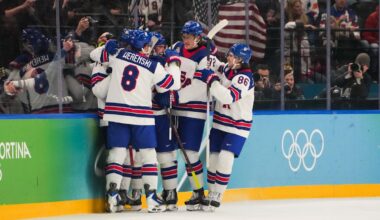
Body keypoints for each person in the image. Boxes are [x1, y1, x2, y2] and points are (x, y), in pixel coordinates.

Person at [90, 29, 180, 213]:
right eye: (147, 45)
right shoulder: (153, 66)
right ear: (142, 46)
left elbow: (94, 55)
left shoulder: (119, 55)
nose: (149, 48)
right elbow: (172, 85)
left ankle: (112, 196)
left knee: (117, 154)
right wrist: (174, 63)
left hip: (116, 113)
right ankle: (153, 198)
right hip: (141, 115)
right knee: (148, 155)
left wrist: (107, 46)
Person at [154, 20, 223, 211]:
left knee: (190, 153)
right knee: (169, 152)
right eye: (184, 36)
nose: (185, 40)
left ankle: (198, 191)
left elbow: (200, 86)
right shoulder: (176, 47)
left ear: (198, 37)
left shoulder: (204, 55)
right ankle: (170, 191)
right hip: (174, 107)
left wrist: (174, 96)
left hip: (194, 109)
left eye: (189, 37)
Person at [193, 43, 255, 211]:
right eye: (229, 54)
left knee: (225, 158)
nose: (229, 57)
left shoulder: (245, 77)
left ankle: (218, 193)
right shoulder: (227, 69)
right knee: (212, 161)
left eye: (232, 56)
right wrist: (208, 49)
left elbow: (228, 97)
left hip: (237, 126)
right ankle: (211, 192)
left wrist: (212, 81)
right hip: (220, 122)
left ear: (241, 60)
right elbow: (214, 63)